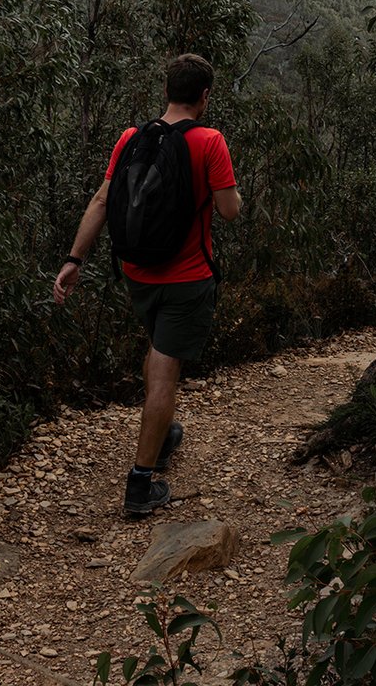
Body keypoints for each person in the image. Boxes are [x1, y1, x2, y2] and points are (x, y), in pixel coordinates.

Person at [53, 53, 242, 516]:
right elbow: (229, 211)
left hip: (136, 272)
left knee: (158, 350)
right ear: (204, 96)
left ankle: (163, 433)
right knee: (164, 370)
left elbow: (102, 200)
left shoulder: (130, 137)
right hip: (187, 276)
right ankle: (141, 481)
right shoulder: (209, 141)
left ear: (166, 91)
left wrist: (75, 258)